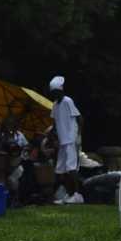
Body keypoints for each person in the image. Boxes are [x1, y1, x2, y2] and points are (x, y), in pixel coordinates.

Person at [49, 75, 84, 204]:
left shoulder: (68, 101)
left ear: (61, 91)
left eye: (56, 92)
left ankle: (77, 195)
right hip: (62, 141)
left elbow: (80, 118)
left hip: (71, 140)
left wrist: (79, 136)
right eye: (52, 93)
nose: (54, 95)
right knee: (60, 170)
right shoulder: (55, 105)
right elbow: (54, 123)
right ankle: (68, 195)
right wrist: (50, 135)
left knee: (71, 169)